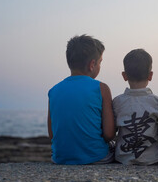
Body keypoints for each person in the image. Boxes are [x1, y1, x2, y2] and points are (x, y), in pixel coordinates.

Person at [47, 35, 115, 165]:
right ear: (92, 64)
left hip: (60, 158)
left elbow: (52, 135)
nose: (100, 66)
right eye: (100, 62)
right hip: (96, 157)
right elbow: (109, 134)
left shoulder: (53, 91)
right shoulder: (102, 88)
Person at [113, 49, 158, 165]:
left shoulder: (117, 102)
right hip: (152, 159)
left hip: (122, 159)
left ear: (124, 76)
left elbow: (112, 131)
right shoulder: (157, 102)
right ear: (150, 75)